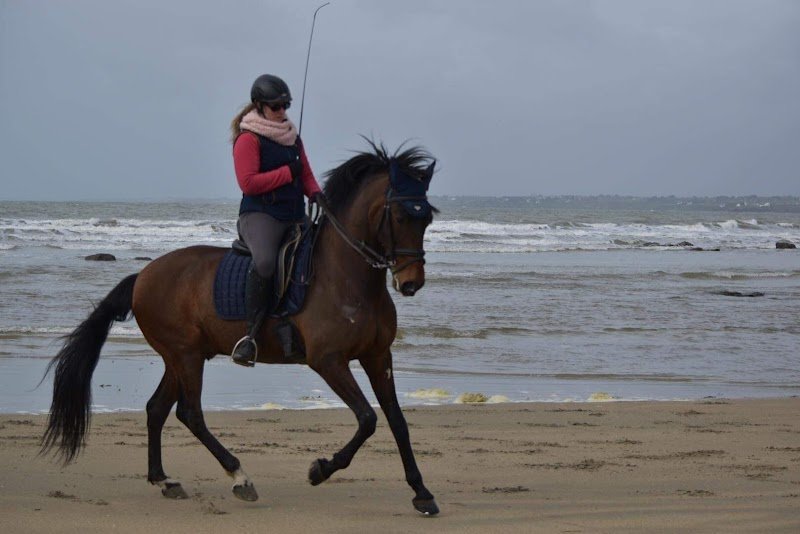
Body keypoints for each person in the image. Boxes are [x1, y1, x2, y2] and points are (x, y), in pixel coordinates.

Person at [229, 74, 323, 367]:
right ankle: (251, 336)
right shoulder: (248, 138)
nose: (282, 112)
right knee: (267, 263)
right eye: (276, 107)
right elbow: (248, 183)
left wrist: (317, 193)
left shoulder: (292, 137)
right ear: (259, 106)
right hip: (260, 215)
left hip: (293, 213)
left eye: (285, 106)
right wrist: (287, 173)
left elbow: (305, 173)